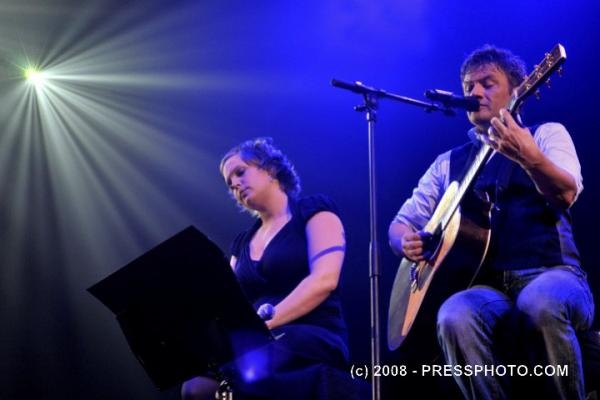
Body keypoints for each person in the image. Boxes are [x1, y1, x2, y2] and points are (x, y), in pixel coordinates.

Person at [388, 44, 595, 399]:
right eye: (469, 86)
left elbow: (566, 193)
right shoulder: (448, 163)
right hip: (488, 290)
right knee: (453, 314)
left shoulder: (546, 134)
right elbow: (400, 224)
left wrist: (529, 158)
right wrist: (406, 241)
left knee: (539, 302)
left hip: (553, 273)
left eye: (487, 83)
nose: (476, 93)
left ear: (517, 90)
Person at [182, 137, 352, 400]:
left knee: (256, 362)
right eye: (229, 183)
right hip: (261, 342)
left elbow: (324, 280)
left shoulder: (313, 211)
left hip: (312, 333)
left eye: (240, 172)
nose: (235, 184)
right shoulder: (241, 244)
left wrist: (263, 325)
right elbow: (228, 306)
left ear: (270, 169)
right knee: (195, 387)